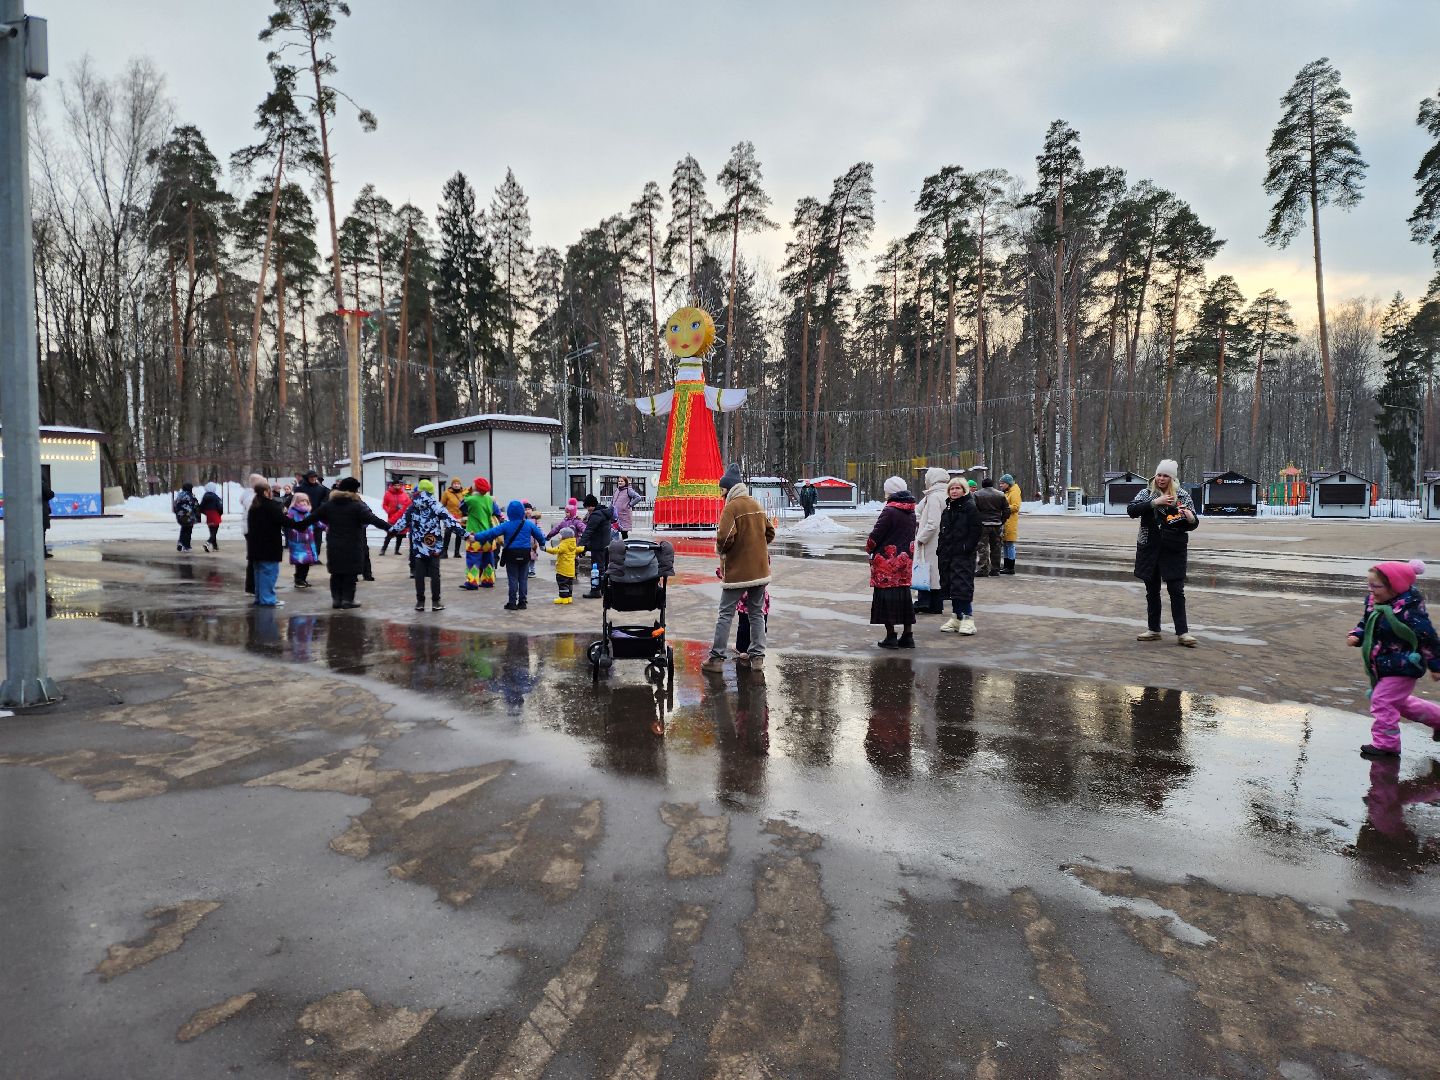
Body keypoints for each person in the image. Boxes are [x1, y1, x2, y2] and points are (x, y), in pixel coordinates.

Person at [1346, 559, 1440, 759]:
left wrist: (1436, 665)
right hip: (1382, 663)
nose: (1371, 590)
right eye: (1369, 585)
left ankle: (1386, 744)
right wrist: (1357, 635)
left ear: (1394, 587)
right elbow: (1367, 622)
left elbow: (1428, 637)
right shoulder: (1374, 602)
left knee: (1382, 700)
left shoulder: (1409, 610)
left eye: (1376, 586)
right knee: (1400, 703)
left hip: (1404, 664)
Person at [702, 464, 775, 672]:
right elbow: (770, 532)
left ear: (729, 489)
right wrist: (756, 547)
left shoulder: (731, 508)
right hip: (760, 571)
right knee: (756, 613)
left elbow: (725, 538)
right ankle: (757, 658)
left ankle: (716, 659)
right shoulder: (756, 504)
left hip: (738, 573)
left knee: (725, 614)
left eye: (722, 490)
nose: (721, 494)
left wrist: (722, 550)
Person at [288, 476, 392, 609]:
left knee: (336, 573)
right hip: (352, 545)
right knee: (350, 573)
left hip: (334, 544)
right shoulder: (357, 505)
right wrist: (390, 528)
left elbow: (312, 517)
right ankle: (348, 600)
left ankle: (337, 600)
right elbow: (372, 519)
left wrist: (298, 525)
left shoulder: (329, 505)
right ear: (353, 490)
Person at [1129, 458, 1199, 647]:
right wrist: (1154, 502)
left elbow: (1192, 524)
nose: (1160, 478)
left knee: (1176, 591)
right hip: (1149, 548)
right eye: (1159, 475)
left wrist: (1191, 518)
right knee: (1152, 591)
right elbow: (1132, 510)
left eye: (1165, 476)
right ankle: (1154, 630)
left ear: (1172, 478)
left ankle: (1183, 633)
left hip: (1173, 549)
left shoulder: (1182, 495)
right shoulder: (1146, 493)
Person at [397, 478, 465, 612]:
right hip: (434, 546)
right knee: (435, 574)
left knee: (419, 574)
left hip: (418, 546)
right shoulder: (436, 506)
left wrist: (390, 530)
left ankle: (420, 602)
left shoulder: (413, 506)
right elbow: (451, 522)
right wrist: (466, 535)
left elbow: (401, 523)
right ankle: (436, 602)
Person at [867, 476, 918, 649]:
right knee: (904, 596)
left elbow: (876, 534)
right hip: (905, 561)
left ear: (889, 491)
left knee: (886, 598)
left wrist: (869, 548)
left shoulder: (889, 510)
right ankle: (908, 635)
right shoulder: (911, 510)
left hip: (887, 563)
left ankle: (891, 636)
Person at [472, 499, 549, 611]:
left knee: (512, 579)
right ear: (522, 512)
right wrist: (542, 544)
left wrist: (475, 537)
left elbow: (491, 533)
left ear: (509, 512)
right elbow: (540, 536)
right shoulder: (529, 524)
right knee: (523, 579)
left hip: (511, 555)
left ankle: (512, 603)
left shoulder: (506, 525)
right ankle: (522, 602)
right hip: (525, 554)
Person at [938, 477, 981, 636]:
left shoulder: (970, 507)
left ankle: (968, 618)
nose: (954, 491)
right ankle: (956, 617)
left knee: (963, 585)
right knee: (952, 586)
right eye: (952, 488)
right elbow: (943, 531)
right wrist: (940, 549)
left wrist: (966, 547)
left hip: (963, 555)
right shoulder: (948, 508)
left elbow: (976, 530)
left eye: (957, 488)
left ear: (964, 490)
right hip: (948, 554)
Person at [245, 481, 289, 608]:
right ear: (266, 492)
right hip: (269, 547)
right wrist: (301, 524)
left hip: (255, 547)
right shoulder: (271, 506)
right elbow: (284, 521)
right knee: (269, 574)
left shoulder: (253, 506)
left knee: (259, 573)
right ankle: (268, 599)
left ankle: (260, 598)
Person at [912, 467, 950, 615]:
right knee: (936, 573)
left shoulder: (934, 497)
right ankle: (936, 604)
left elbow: (933, 522)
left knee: (927, 571)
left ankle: (924, 602)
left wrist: (921, 538)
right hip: (942, 539)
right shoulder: (945, 494)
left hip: (931, 540)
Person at [459, 477, 501, 589]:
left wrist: (468, 492)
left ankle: (472, 582)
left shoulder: (470, 499)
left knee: (473, 560)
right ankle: (488, 580)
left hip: (474, 535)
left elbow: (462, 507)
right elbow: (497, 512)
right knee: (488, 560)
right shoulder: (490, 499)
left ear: (476, 487)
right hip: (489, 535)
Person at [579, 494, 615, 599]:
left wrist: (580, 546)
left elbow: (588, 531)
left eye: (587, 507)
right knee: (603, 568)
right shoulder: (604, 512)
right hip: (605, 545)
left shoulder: (596, 515)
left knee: (597, 569)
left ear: (591, 505)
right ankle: (604, 590)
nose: (587, 510)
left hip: (598, 546)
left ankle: (595, 591)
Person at [973, 477, 1011, 577]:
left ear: (982, 485)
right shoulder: (1000, 494)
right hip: (997, 524)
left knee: (982, 547)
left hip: (983, 524)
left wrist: (976, 521)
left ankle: (983, 569)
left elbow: (973, 510)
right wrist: (1002, 520)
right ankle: (995, 569)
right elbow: (1007, 510)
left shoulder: (977, 494)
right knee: (996, 547)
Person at [285, 491, 321, 589]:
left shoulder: (308, 513)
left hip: (309, 542)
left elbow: (316, 521)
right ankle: (298, 580)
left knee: (307, 562)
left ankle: (303, 579)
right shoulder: (292, 512)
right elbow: (287, 524)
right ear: (296, 502)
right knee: (300, 562)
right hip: (298, 543)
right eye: (301, 501)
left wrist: (325, 527)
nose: (304, 503)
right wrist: (294, 531)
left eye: (306, 501)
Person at [239, 472, 266, 594]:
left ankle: (252, 586)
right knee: (255, 558)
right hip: (253, 530)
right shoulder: (252, 498)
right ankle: (252, 586)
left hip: (249, 529)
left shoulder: (248, 496)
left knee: (253, 558)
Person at [545, 527, 578, 604]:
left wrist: (545, 549)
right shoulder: (572, 543)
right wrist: (583, 548)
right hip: (571, 569)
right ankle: (569, 597)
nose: (559, 535)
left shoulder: (564, 544)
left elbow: (555, 550)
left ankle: (563, 598)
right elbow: (577, 549)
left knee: (562, 584)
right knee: (569, 584)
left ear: (565, 536)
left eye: (560, 534)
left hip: (563, 569)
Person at [379, 480, 411, 556]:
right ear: (392, 486)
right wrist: (389, 510)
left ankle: (397, 550)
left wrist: (404, 509)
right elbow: (384, 505)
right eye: (395, 485)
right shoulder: (388, 494)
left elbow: (408, 503)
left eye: (398, 485)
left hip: (401, 518)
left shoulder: (404, 494)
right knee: (390, 534)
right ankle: (383, 550)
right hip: (392, 517)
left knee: (400, 535)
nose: (397, 487)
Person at [998, 473, 1021, 575]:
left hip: (1010, 521)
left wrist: (1004, 508)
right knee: (1005, 544)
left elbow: (1016, 507)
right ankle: (1006, 566)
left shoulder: (1014, 492)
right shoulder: (1007, 492)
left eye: (1002, 483)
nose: (1001, 485)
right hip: (1006, 521)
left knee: (1010, 544)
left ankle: (1010, 567)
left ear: (1008, 483)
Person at [440, 477, 467, 558]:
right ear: (452, 485)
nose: (456, 485)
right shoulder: (447, 493)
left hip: (460, 518)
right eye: (454, 484)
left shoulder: (464, 493)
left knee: (459, 535)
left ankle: (457, 552)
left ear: (460, 485)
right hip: (450, 518)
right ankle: (444, 552)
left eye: (458, 484)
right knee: (447, 534)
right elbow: (442, 505)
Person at [172, 482, 199, 552]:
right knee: (188, 530)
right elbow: (196, 506)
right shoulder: (191, 496)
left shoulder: (179, 496)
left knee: (183, 528)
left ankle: (180, 542)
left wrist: (178, 513)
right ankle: (187, 546)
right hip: (189, 516)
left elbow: (174, 506)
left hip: (180, 516)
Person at [198, 483, 224, 552]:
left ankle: (215, 547)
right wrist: (220, 513)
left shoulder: (204, 497)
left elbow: (201, 507)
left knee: (212, 532)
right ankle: (207, 543)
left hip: (208, 516)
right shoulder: (216, 497)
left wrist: (206, 513)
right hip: (215, 515)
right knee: (214, 532)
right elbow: (220, 507)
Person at [42, 476, 55, 558]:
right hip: (41, 511)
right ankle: (42, 552)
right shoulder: (41, 484)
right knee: (41, 532)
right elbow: (50, 494)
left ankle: (42, 551)